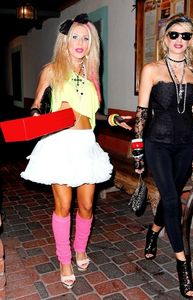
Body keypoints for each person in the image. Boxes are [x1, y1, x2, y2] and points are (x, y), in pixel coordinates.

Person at [20, 13, 130, 289]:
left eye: (86, 38)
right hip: (59, 144)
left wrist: (114, 119)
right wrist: (35, 116)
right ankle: (64, 258)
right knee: (63, 206)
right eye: (75, 37)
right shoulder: (52, 69)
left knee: (87, 205)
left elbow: (96, 114)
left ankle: (80, 247)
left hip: (86, 145)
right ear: (65, 41)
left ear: (92, 44)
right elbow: (36, 105)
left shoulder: (92, 75)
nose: (80, 42)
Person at [131, 14, 193, 298]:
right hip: (157, 143)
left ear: (192, 41)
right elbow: (142, 113)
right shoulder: (151, 70)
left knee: (169, 196)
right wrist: (138, 152)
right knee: (174, 201)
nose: (179, 40)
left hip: (185, 144)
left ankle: (152, 232)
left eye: (185, 36)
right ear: (165, 39)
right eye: (174, 34)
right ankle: (183, 266)